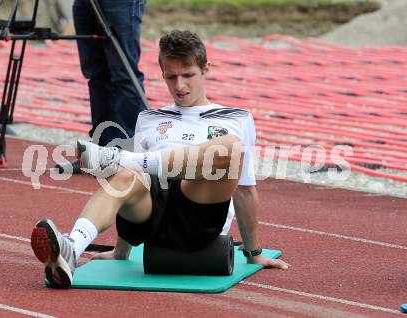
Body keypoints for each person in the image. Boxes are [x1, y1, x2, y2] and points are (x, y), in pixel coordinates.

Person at [31, 30, 289, 289]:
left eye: (188, 75)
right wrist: (121, 253)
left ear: (206, 69)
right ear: (162, 74)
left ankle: (122, 157)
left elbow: (244, 191)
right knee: (123, 175)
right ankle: (71, 249)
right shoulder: (150, 118)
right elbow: (130, 188)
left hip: (198, 213)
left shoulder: (236, 118)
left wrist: (254, 254)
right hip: (151, 215)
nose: (179, 86)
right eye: (171, 77)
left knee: (230, 147)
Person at [57, 0, 147, 173]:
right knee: (96, 74)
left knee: (124, 74)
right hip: (85, 3)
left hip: (120, 4)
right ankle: (99, 151)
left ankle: (129, 154)